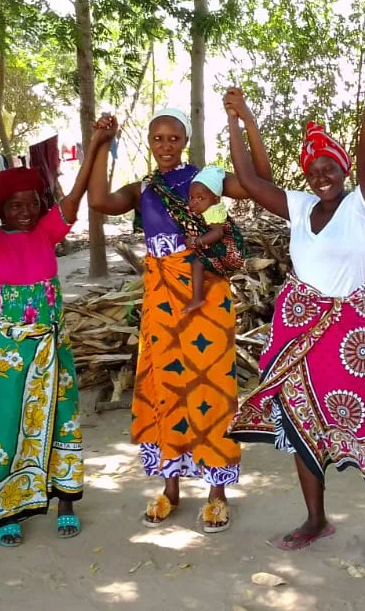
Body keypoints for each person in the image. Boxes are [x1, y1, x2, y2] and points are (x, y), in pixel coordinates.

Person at [227, 65, 365, 567]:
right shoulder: (300, 206)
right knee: (301, 424)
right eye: (313, 170)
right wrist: (239, 120)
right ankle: (315, 519)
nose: (321, 176)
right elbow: (248, 179)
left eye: (330, 167)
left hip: (346, 336)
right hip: (295, 330)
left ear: (344, 170)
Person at [88, 88, 274, 533]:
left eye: (173, 138)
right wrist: (98, 144)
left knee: (210, 385)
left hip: (206, 295)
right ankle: (171, 486)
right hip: (161, 296)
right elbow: (98, 201)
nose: (166, 145)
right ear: (150, 143)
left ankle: (217, 491)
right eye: (158, 138)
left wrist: (244, 118)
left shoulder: (205, 180)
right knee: (166, 384)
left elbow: (259, 182)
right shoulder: (143, 189)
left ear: (184, 141)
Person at [0, 135, 106, 547]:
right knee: (6, 424)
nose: (27, 213)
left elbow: (77, 195)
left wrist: (97, 144)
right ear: (1, 210)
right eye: (16, 206)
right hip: (9, 358)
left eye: (33, 204)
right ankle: (7, 509)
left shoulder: (46, 232)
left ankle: (65, 501)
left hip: (54, 351)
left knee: (63, 416)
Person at [185, 164, 234, 313]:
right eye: (192, 197)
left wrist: (196, 241)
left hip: (226, 250)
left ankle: (197, 298)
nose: (194, 202)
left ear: (215, 198)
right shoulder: (210, 208)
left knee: (197, 264)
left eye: (200, 198)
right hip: (221, 248)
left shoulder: (213, 213)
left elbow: (217, 233)